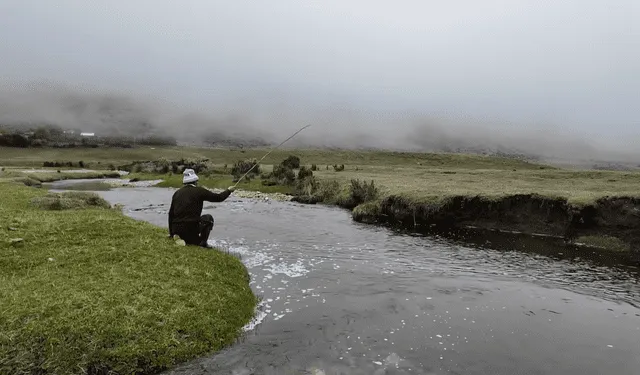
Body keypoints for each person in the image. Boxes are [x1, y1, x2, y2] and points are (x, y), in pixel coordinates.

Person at [168, 168, 236, 248]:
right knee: (208, 218)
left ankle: (178, 236)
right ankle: (202, 243)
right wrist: (228, 191)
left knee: (183, 228)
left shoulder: (177, 193)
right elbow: (218, 198)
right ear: (195, 181)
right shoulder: (199, 191)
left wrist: (172, 233)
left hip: (177, 229)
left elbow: (171, 214)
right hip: (191, 229)